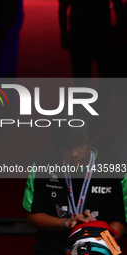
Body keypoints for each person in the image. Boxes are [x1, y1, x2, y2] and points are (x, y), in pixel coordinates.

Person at [22, 105, 126, 254]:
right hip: (53, 246)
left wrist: (103, 244)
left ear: (92, 139)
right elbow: (32, 217)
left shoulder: (115, 171)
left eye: (81, 145)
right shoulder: (41, 166)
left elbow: (120, 219)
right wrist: (67, 222)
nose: (74, 153)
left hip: (99, 246)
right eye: (66, 146)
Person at [58, 0, 123, 77]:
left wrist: (64, 34)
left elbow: (63, 8)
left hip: (79, 34)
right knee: (107, 73)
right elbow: (118, 5)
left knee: (81, 75)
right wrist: (119, 32)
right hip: (102, 33)